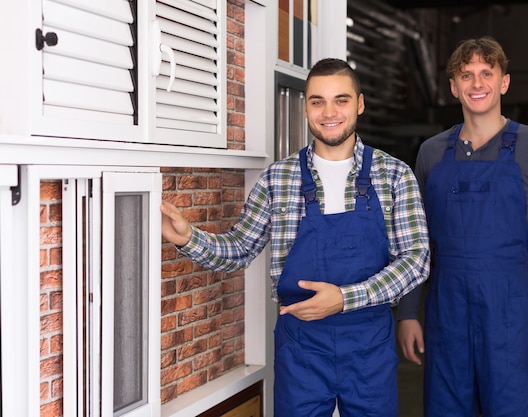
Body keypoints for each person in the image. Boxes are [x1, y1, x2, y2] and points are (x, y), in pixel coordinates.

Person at [161, 58, 430, 417]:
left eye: (341, 100)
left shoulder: (394, 175)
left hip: (368, 345)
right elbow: (239, 249)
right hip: (301, 348)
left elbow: (416, 259)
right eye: (317, 101)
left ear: (360, 104)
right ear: (306, 107)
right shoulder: (278, 178)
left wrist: (345, 298)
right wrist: (187, 238)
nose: (329, 111)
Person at [396, 36, 528, 417]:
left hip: (510, 317)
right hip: (446, 317)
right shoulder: (430, 153)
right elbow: (418, 243)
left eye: (486, 73)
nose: (477, 83)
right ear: (454, 86)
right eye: (467, 75)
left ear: (503, 82)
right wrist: (408, 313)